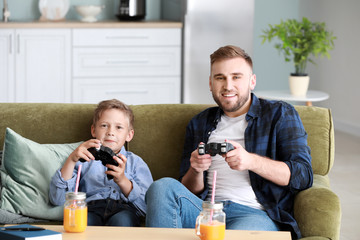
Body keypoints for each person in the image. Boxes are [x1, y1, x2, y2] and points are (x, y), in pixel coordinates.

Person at [145, 45, 313, 239]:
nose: (228, 86)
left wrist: (251, 161)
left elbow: (303, 176)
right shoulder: (199, 122)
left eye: (236, 77)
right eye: (220, 78)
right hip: (205, 210)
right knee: (161, 187)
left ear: (252, 81)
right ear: (210, 83)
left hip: (253, 213)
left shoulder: (280, 114)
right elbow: (189, 189)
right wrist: (196, 169)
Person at [49, 99, 153, 227]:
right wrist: (71, 160)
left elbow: (147, 209)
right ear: (93, 130)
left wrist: (122, 181)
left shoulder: (136, 163)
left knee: (123, 222)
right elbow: (57, 199)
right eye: (104, 125)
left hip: (124, 210)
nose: (110, 132)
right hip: (90, 209)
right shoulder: (83, 159)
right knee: (80, 223)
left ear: (129, 135)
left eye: (119, 127)